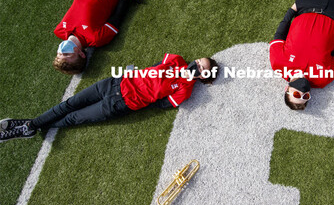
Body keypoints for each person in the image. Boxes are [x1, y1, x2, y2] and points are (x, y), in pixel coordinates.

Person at [0, 55, 219, 142]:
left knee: (73, 118)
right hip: (113, 83)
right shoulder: (176, 60)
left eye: (201, 68)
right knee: (69, 104)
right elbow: (154, 67)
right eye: (199, 61)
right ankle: (30, 127)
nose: (197, 65)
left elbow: (162, 104)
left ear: (203, 76)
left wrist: (145, 96)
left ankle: (29, 126)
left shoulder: (185, 91)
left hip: (120, 104)